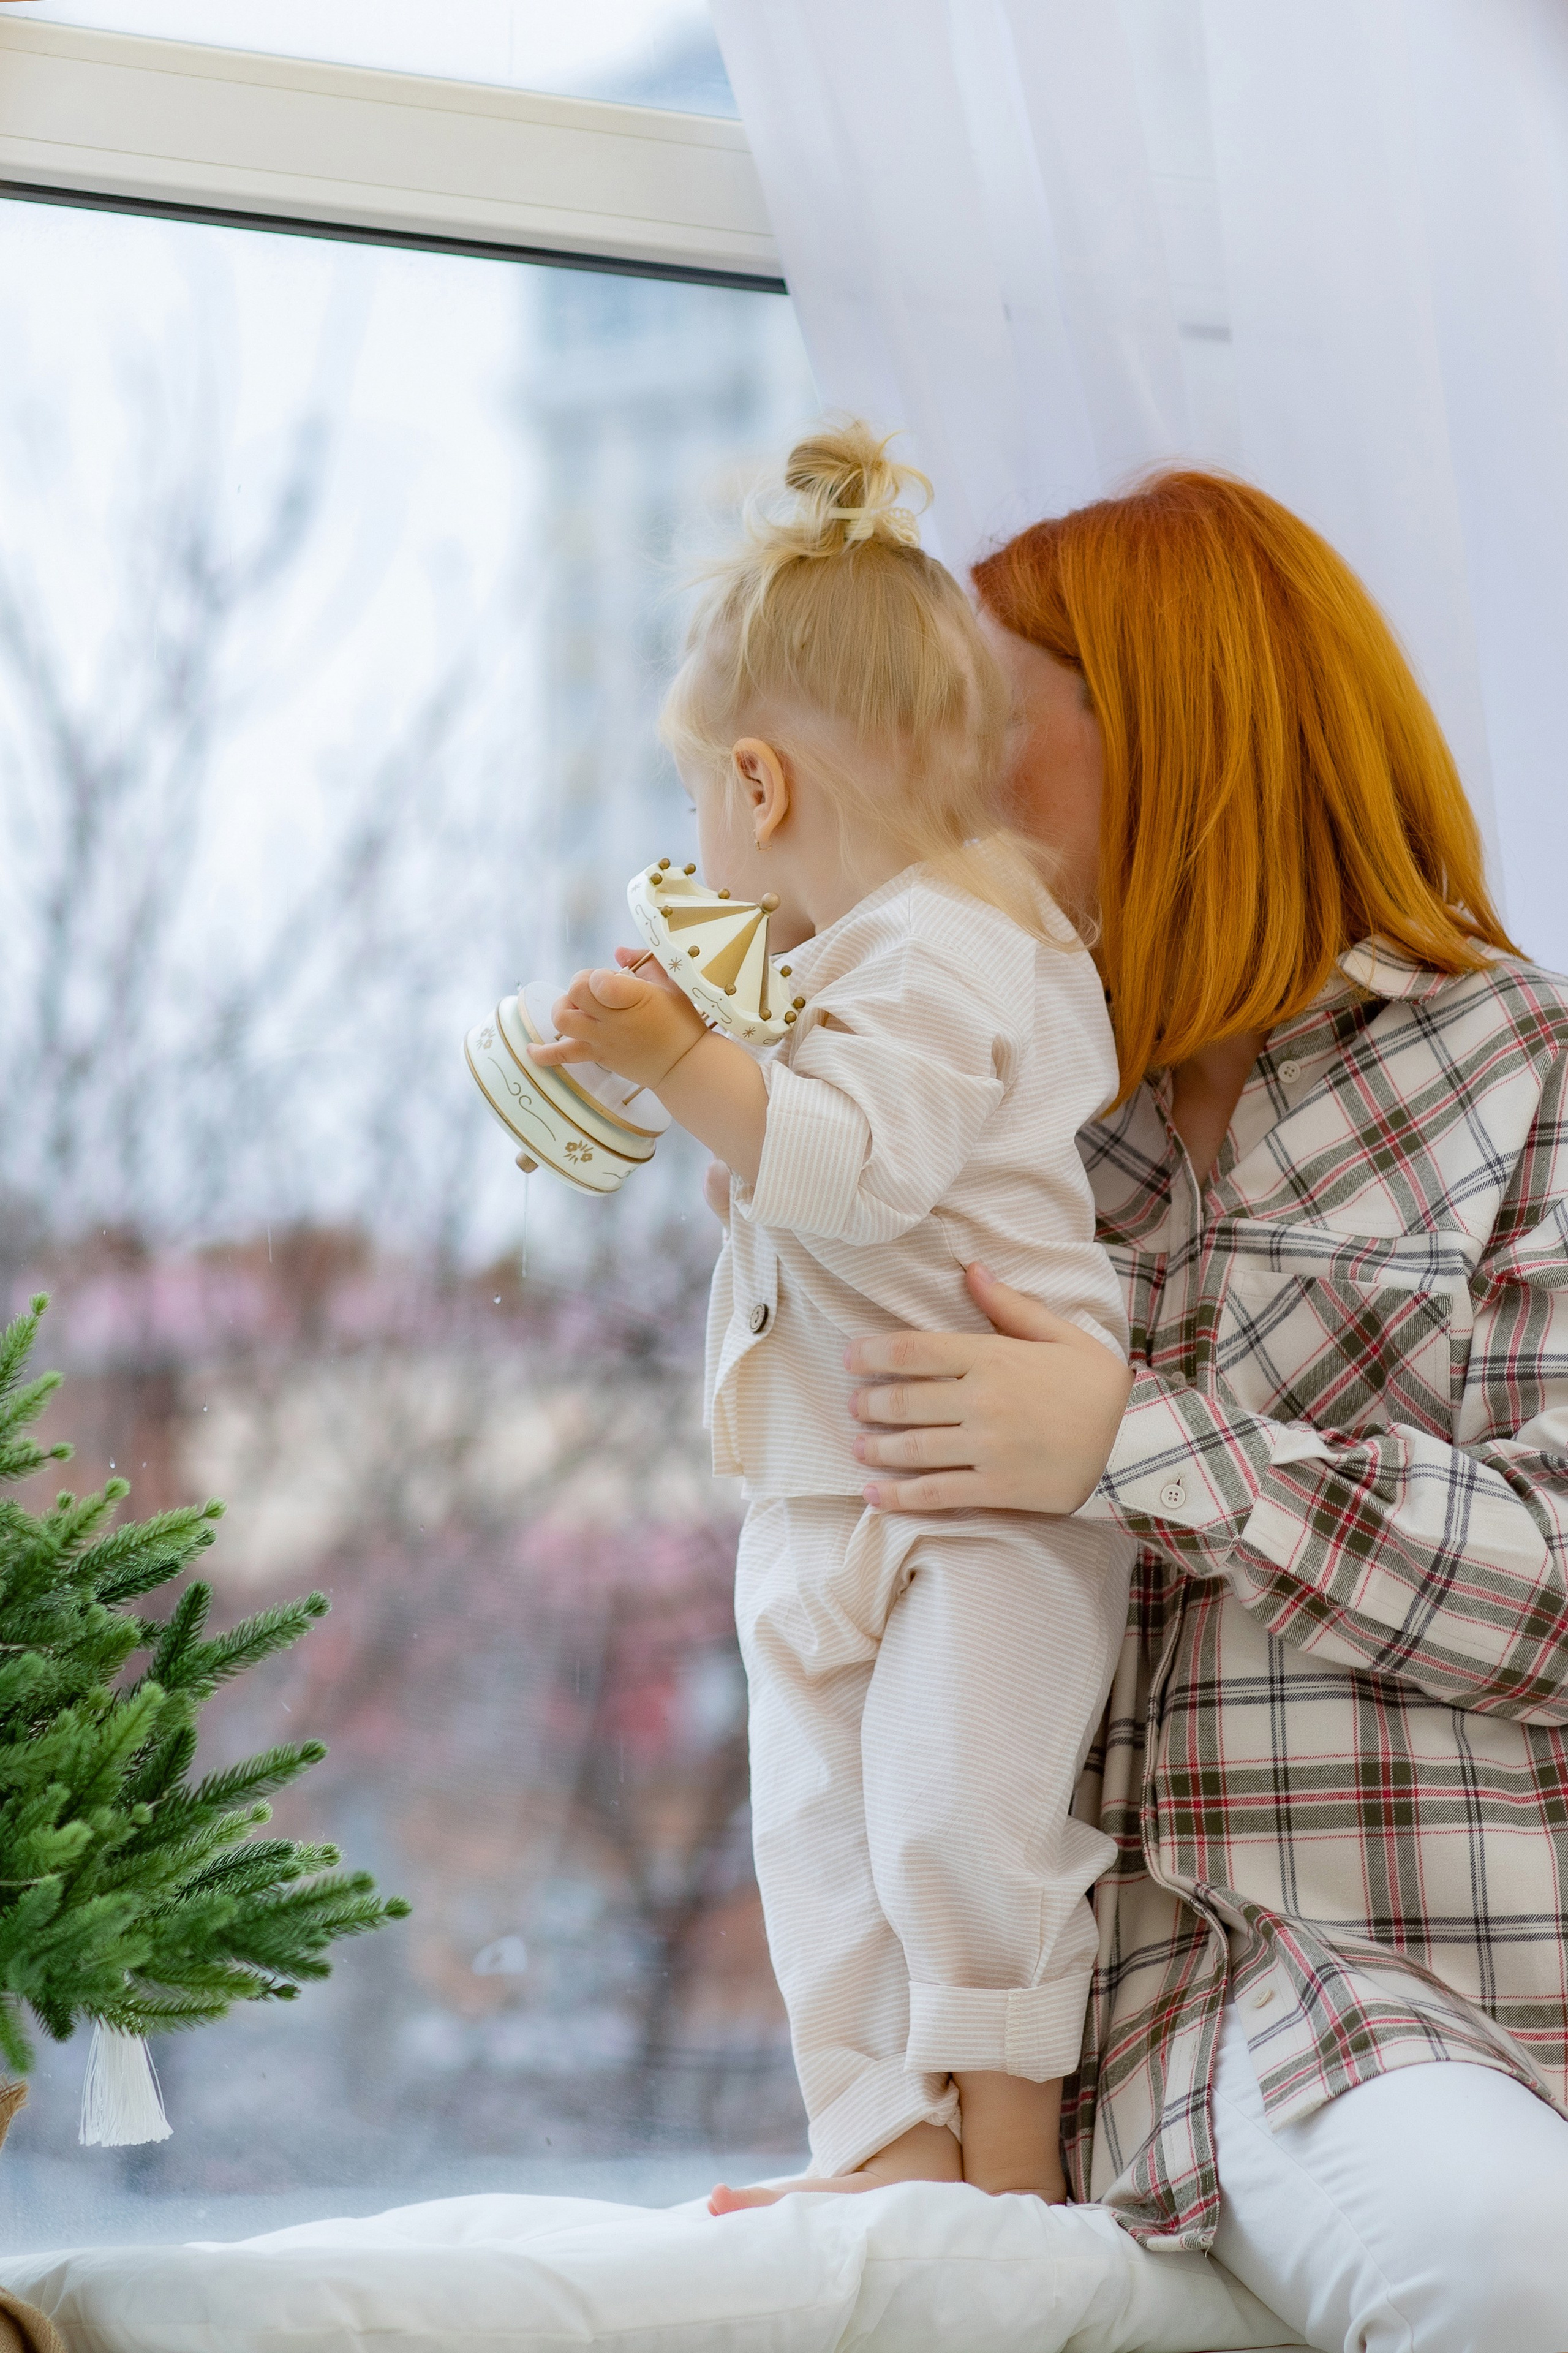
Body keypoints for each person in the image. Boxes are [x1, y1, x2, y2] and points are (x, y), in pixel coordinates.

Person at [817, 469, 1568, 2352]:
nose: (945, 796)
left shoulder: (1527, 1080)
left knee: (1499, 2264)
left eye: (987, 728)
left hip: (1443, 2009)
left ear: (1180, 734)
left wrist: (1136, 1444)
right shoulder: (1008, 1122)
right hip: (1078, 2067)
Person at [530, 421, 1136, 2207]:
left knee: (963, 1822)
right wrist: (720, 1107)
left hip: (981, 1497)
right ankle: (880, 2143)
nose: (700, 838)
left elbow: (859, 1170)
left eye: (702, 796)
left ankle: (1009, 2164)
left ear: (761, 788)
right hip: (822, 1485)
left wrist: (687, 1063)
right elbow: (818, 1186)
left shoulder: (961, 942)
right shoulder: (839, 968)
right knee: (815, 1838)